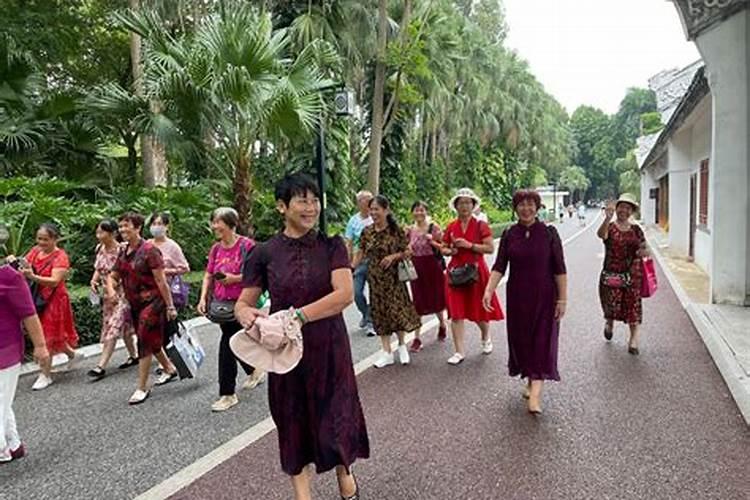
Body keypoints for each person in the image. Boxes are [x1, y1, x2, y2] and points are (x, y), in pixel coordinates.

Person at [235, 173, 369, 500]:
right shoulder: (263, 253)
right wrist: (245, 314)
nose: (311, 208)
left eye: (314, 200)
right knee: (291, 422)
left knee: (336, 417)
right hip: (285, 355)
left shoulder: (333, 246)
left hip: (329, 349)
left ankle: (344, 471)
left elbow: (344, 295)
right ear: (282, 206)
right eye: (302, 200)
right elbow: (244, 302)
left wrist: (298, 316)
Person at [483, 190, 568, 415]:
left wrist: (562, 298)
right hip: (518, 297)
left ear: (538, 207)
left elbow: (560, 268)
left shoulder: (549, 233)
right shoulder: (510, 234)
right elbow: (500, 265)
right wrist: (489, 290)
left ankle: (536, 396)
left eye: (531, 204)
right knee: (523, 341)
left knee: (541, 340)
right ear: (515, 207)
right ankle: (530, 379)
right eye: (521, 204)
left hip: (545, 297)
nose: (526, 208)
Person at [106, 212, 179, 405]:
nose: (122, 230)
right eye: (120, 226)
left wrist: (170, 306)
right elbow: (113, 275)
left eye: (126, 226)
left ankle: (142, 387)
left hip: (154, 301)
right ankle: (169, 368)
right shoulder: (123, 251)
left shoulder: (150, 250)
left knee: (144, 338)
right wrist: (111, 290)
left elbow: (161, 281)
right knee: (148, 338)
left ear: (138, 228)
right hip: (134, 303)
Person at [197, 207, 265, 412]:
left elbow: (257, 275)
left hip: (243, 303)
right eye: (213, 222)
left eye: (218, 222)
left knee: (227, 342)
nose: (214, 226)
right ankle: (254, 369)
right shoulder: (216, 249)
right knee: (235, 340)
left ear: (231, 224)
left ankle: (227, 393)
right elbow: (208, 274)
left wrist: (233, 279)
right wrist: (203, 298)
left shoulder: (247, 246)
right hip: (221, 304)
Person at [355, 196, 422, 368]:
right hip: (376, 279)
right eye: (371, 209)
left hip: (394, 279)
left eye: (377, 209)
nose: (374, 212)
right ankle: (386, 352)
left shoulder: (396, 230)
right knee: (380, 313)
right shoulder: (367, 232)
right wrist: (350, 268)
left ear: (386, 210)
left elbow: (408, 251)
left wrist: (394, 257)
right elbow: (360, 252)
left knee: (397, 311)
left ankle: (401, 346)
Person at [442, 188, 504, 365]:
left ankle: (486, 337)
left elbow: (490, 248)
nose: (464, 206)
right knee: (455, 313)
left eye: (468, 202)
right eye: (461, 202)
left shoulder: (480, 225)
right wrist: (450, 250)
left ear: (473, 205)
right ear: (456, 206)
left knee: (479, 312)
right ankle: (459, 351)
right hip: (455, 272)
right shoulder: (451, 226)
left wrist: (469, 245)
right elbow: (444, 247)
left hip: (476, 271)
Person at [0, 255, 50, 463]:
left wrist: (40, 346)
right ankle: (13, 444)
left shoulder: (10, 277)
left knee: (1, 397)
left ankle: (2, 448)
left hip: (5, 348)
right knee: (2, 400)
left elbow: (29, 313)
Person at [19, 223, 79, 391]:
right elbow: (25, 265)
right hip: (37, 298)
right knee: (49, 334)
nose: (42, 242)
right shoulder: (35, 251)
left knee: (48, 334)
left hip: (55, 300)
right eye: (39, 238)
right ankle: (73, 355)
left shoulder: (61, 256)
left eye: (46, 239)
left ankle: (45, 375)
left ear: (55, 238)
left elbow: (54, 281)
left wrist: (32, 276)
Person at [87, 220, 139, 381]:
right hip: (107, 296)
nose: (99, 236)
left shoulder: (123, 249)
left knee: (113, 327)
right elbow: (98, 268)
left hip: (122, 295)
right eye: (97, 232)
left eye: (102, 232)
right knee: (125, 329)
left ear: (113, 233)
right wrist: (94, 281)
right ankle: (134, 355)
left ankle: (101, 366)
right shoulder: (100, 249)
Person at [597, 194, 649, 355]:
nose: (624, 210)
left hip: (632, 274)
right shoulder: (610, 227)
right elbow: (601, 235)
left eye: (628, 208)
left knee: (633, 305)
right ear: (617, 208)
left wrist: (643, 252)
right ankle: (609, 322)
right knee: (611, 304)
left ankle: (633, 340)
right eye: (622, 207)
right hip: (612, 273)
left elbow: (645, 247)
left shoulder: (636, 230)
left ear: (631, 211)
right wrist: (607, 218)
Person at [405, 201, 448, 352]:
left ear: (426, 211)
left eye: (422, 210)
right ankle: (417, 338)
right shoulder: (409, 230)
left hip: (432, 266)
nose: (419, 213)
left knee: (436, 298)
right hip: (416, 267)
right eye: (416, 210)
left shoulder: (434, 227)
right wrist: (407, 249)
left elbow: (444, 246)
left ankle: (442, 324)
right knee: (418, 301)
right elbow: (404, 248)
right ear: (412, 213)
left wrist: (432, 240)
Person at [344, 190, 375, 336]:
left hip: (375, 260)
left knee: (375, 292)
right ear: (359, 203)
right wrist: (349, 262)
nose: (369, 202)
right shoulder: (353, 221)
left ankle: (370, 322)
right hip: (359, 261)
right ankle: (366, 313)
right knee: (356, 292)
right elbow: (349, 242)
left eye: (370, 199)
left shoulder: (376, 217)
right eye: (365, 200)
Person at [147, 212, 190, 310]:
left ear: (166, 226)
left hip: (165, 292)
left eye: (159, 224)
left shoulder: (172, 246)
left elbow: (185, 268)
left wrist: (164, 271)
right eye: (154, 224)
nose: (156, 227)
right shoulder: (147, 244)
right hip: (148, 292)